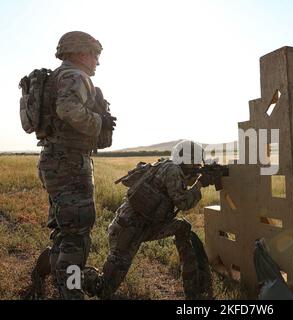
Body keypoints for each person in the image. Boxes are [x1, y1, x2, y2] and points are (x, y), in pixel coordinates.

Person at [36, 31, 116, 299]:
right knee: (77, 233)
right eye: (94, 54)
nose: (97, 61)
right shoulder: (74, 75)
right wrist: (99, 122)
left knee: (64, 228)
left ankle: (57, 277)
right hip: (69, 162)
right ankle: (71, 291)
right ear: (80, 52)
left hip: (55, 160)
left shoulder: (57, 77)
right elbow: (69, 110)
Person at [85, 140, 214, 300]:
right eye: (194, 161)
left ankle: (194, 288)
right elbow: (183, 202)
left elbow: (179, 185)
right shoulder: (172, 170)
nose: (196, 165)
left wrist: (198, 178)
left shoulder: (168, 166)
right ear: (184, 158)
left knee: (182, 227)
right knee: (104, 290)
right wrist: (199, 184)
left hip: (147, 226)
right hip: (128, 229)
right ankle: (71, 270)